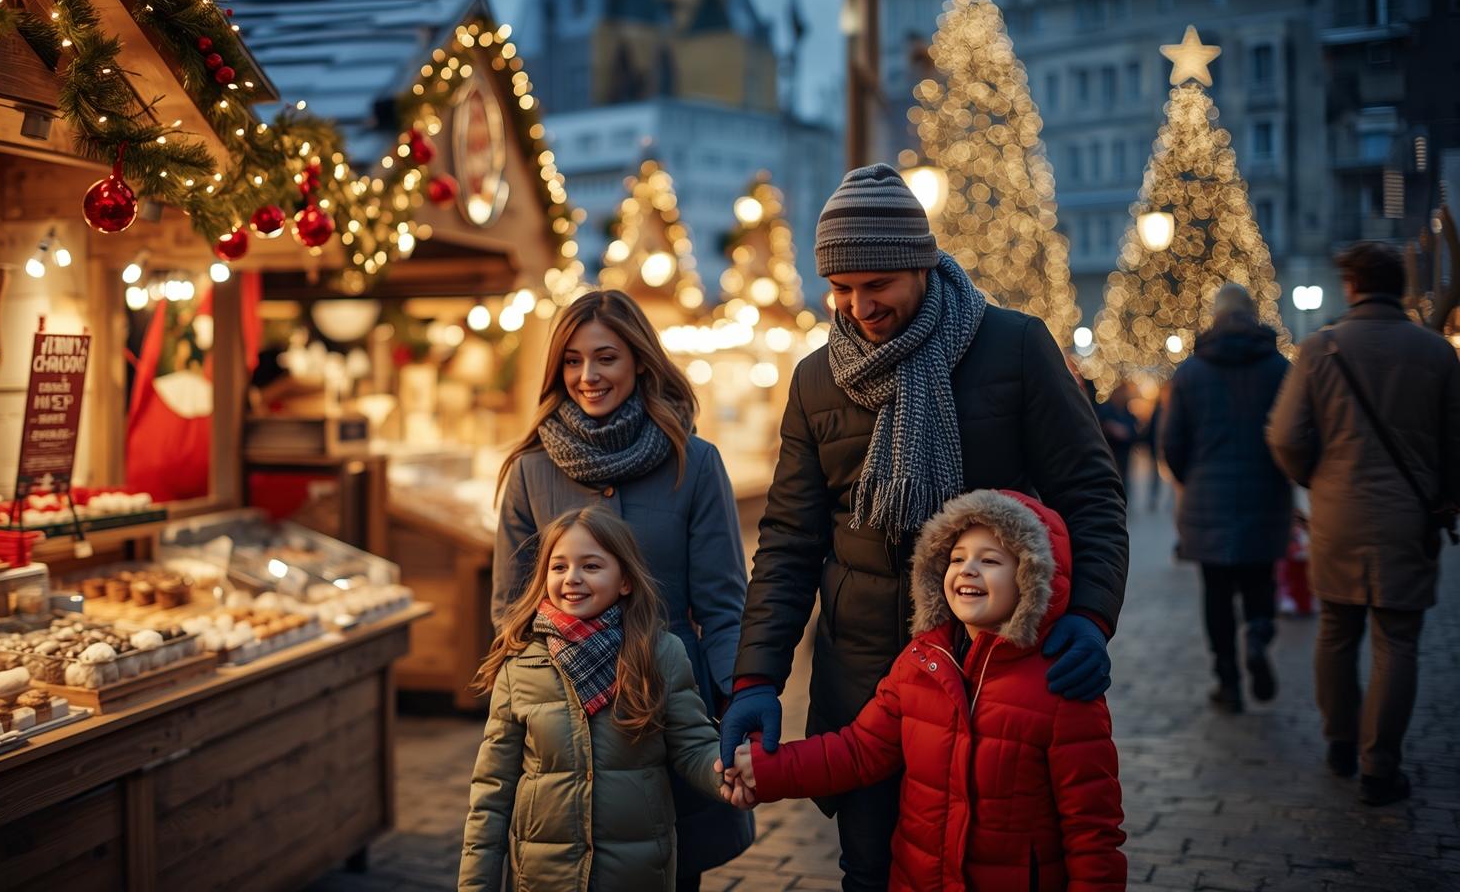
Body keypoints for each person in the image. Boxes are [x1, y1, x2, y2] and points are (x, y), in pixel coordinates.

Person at [722, 163, 1129, 890]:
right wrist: (757, 676)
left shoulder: (1014, 348)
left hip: (995, 681)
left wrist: (1092, 614)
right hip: (865, 679)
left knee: (988, 864)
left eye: (877, 285)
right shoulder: (818, 379)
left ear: (922, 263)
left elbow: (1091, 495)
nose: (858, 307)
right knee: (870, 871)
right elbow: (789, 539)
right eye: (841, 289)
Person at [721, 490, 1127, 891]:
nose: (968, 569)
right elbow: (858, 750)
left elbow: (1093, 835)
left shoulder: (1063, 686)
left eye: (989, 560)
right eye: (955, 558)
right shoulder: (920, 664)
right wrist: (767, 771)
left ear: (1032, 577)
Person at [491, 289, 752, 884]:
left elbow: (724, 604)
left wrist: (737, 701)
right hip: (565, 727)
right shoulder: (531, 471)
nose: (589, 376)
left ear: (638, 359)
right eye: (573, 361)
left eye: (606, 357)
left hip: (666, 713)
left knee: (667, 867)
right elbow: (511, 608)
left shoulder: (695, 463)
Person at [1267, 241, 1460, 806]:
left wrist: (1316, 480)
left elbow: (1283, 436)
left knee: (1337, 629)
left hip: (1338, 513)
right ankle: (1381, 766)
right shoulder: (1436, 354)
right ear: (1398, 286)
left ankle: (1340, 742)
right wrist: (1446, 498)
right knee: (1397, 640)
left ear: (1351, 287)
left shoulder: (1321, 350)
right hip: (1411, 516)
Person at [461, 507, 727, 891]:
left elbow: (693, 747)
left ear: (624, 580)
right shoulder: (521, 663)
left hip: (636, 874)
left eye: (591, 566)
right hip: (542, 877)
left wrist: (730, 774)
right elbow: (492, 790)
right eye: (559, 566)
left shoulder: (660, 654)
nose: (572, 579)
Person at [1160, 283, 1292, 713]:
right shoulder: (1279, 369)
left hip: (1206, 500)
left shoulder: (1191, 372)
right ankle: (1258, 632)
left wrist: (1191, 480)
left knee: (1216, 594)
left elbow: (1172, 443)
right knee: (1261, 579)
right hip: (1266, 494)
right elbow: (1293, 434)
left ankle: (1228, 681)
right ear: (1254, 314)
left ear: (1214, 317)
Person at [1094, 383, 1138, 506]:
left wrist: (1127, 432)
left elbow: (1135, 431)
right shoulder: (1106, 409)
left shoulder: (1127, 411)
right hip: (1110, 451)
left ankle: (1123, 503)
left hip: (1124, 452)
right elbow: (1099, 425)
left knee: (1124, 479)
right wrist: (1111, 428)